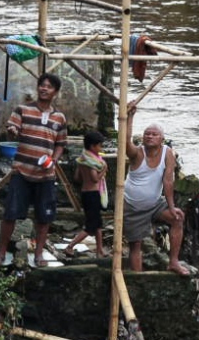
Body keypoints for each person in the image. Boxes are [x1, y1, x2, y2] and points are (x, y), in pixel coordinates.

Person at [0, 73, 68, 268]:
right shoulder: (23, 110)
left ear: (55, 92)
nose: (44, 88)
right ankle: (1, 253)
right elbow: (12, 128)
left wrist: (54, 160)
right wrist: (13, 132)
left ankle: (39, 254)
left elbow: (60, 144)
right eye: (41, 85)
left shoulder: (59, 117)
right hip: (22, 171)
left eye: (49, 86)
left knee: (44, 217)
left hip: (46, 175)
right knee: (10, 214)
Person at [122, 105, 191, 275]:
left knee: (177, 218)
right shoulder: (137, 153)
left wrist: (172, 205)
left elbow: (168, 180)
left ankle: (173, 262)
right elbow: (125, 141)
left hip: (155, 204)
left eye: (154, 134)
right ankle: (138, 278)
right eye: (147, 134)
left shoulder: (168, 153)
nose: (150, 136)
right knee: (135, 245)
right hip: (133, 206)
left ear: (162, 139)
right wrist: (129, 117)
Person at [64, 130, 109, 258]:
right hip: (93, 194)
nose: (101, 148)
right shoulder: (92, 162)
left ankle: (99, 250)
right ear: (92, 146)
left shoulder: (82, 159)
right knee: (91, 227)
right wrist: (104, 169)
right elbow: (95, 179)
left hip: (85, 192)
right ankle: (70, 246)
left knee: (98, 223)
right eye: (99, 145)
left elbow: (77, 178)